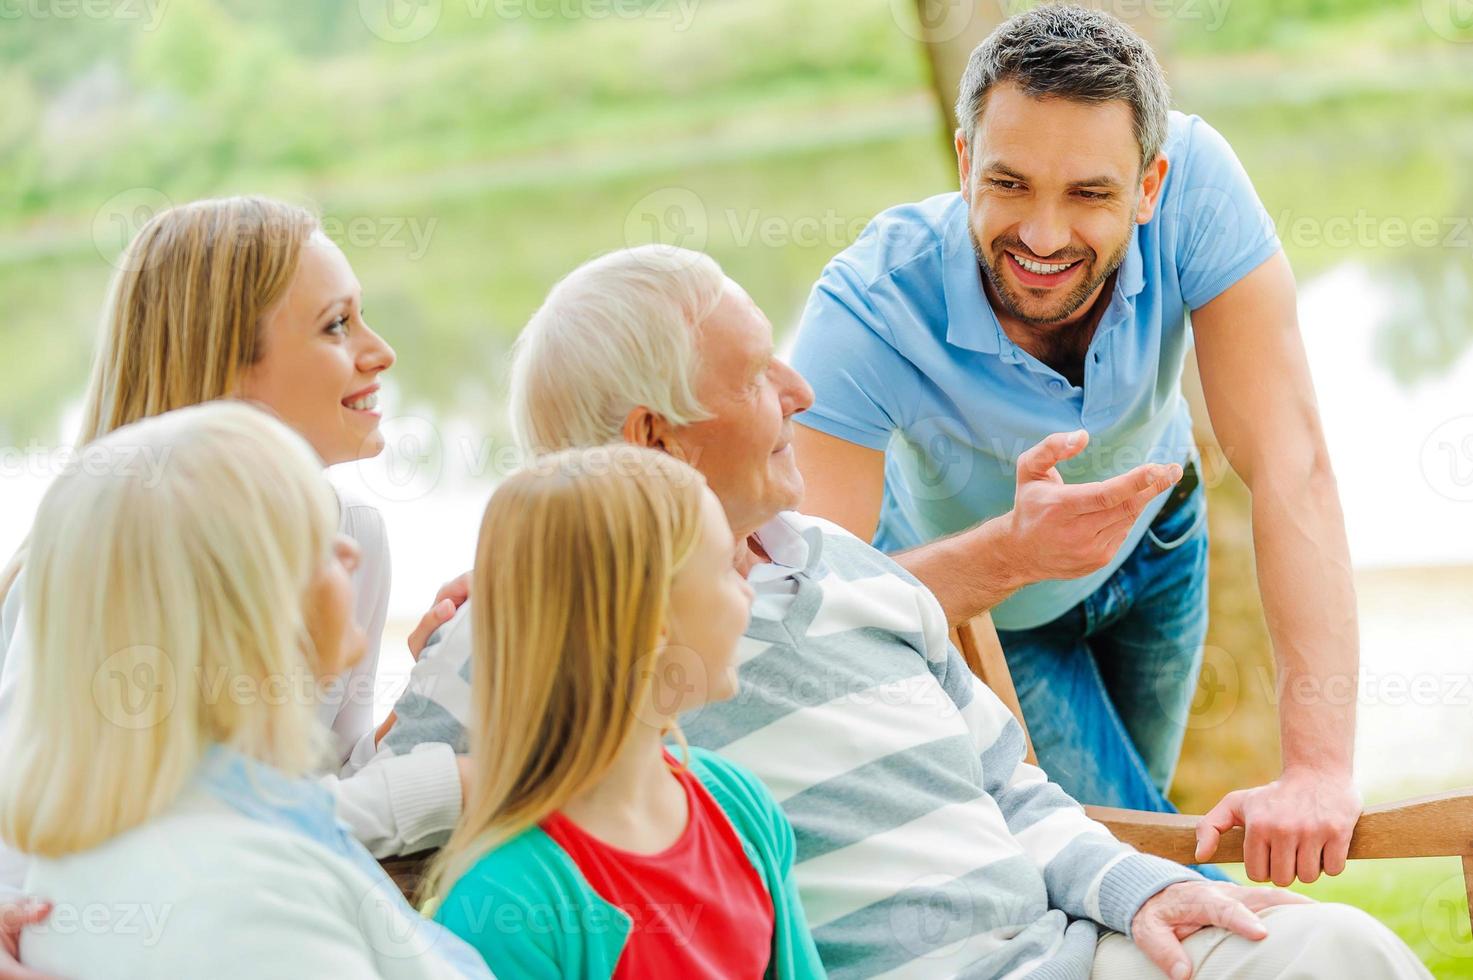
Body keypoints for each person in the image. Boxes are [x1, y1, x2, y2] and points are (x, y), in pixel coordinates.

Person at [374, 245, 1428, 979]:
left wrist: (1143, 889)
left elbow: (1012, 790)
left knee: (1333, 951)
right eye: (754, 374)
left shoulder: (853, 568)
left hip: (1070, 950)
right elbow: (356, 846)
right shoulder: (512, 639)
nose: (798, 389)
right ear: (660, 437)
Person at [787, 5, 1360, 886]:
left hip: (1159, 543)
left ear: (1149, 184)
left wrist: (1318, 770)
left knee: (1133, 839)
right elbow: (806, 598)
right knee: (1142, 859)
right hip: (994, 606)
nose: (1044, 238)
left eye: (1088, 194)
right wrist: (1012, 553)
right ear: (965, 158)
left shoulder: (1199, 180)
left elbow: (1293, 462)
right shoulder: (868, 306)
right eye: (1009, 184)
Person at [0, 197, 466, 972]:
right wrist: (439, 783)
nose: (379, 352)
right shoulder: (99, 558)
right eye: (335, 325)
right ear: (225, 367)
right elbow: (39, 831)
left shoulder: (352, 533)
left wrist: (427, 695)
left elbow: (315, 785)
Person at [424, 446, 824, 977]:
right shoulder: (507, 902)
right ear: (654, 623)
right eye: (726, 571)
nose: (747, 594)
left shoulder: (738, 804)